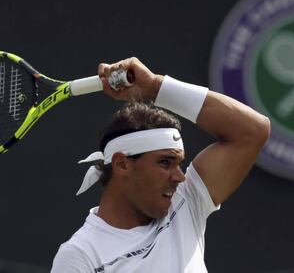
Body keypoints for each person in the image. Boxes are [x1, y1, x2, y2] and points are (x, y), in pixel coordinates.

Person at [51, 57, 270, 272]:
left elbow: (253, 131)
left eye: (179, 163)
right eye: (165, 162)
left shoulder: (185, 200)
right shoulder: (80, 255)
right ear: (121, 165)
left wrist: (155, 87)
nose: (180, 177)